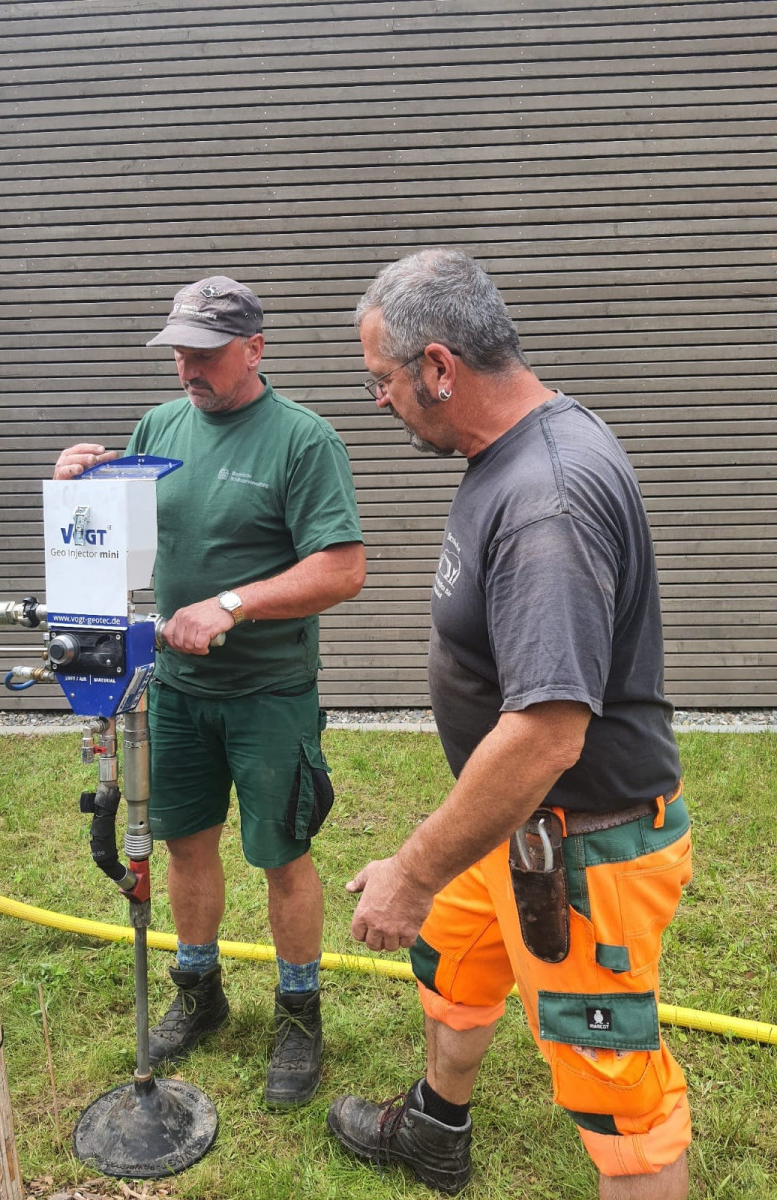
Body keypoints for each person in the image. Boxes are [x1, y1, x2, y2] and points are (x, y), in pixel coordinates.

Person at [327, 249, 691, 1198]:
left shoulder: (547, 502)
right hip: (512, 824)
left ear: (440, 368)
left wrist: (410, 870)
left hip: (582, 849)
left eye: (382, 380)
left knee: (621, 1102)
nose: (378, 400)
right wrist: (438, 864)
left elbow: (546, 732)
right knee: (451, 966)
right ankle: (437, 1133)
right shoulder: (516, 449)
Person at [54, 276, 365, 1108]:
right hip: (179, 689)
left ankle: (298, 1012)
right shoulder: (158, 425)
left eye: (205, 352)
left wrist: (231, 604)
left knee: (281, 855)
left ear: (255, 348)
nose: (187, 366)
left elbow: (343, 569)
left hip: (268, 690)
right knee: (185, 843)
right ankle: (201, 991)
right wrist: (75, 484)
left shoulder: (303, 441)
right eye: (178, 351)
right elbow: (111, 542)